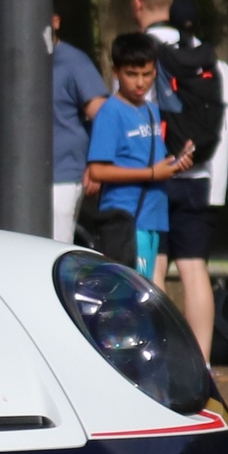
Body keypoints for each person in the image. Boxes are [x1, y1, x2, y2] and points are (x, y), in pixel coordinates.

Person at [132, 0, 224, 341]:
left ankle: (160, 355)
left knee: (154, 264)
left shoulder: (140, 53)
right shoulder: (206, 55)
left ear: (138, 4)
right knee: (193, 268)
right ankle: (202, 363)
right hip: (197, 173)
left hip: (155, 174)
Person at [83, 32, 190, 279]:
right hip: (126, 220)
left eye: (147, 74)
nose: (140, 83)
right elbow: (97, 171)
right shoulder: (111, 112)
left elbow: (152, 160)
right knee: (128, 296)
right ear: (116, 72)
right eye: (132, 74)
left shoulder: (152, 110)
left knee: (143, 292)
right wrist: (152, 173)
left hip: (153, 218)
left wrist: (176, 164)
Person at [50, 14, 109, 243]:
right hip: (21, 177)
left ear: (55, 21)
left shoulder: (75, 62)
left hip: (63, 177)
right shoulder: (13, 60)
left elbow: (103, 118)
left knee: (54, 249)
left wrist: (98, 163)